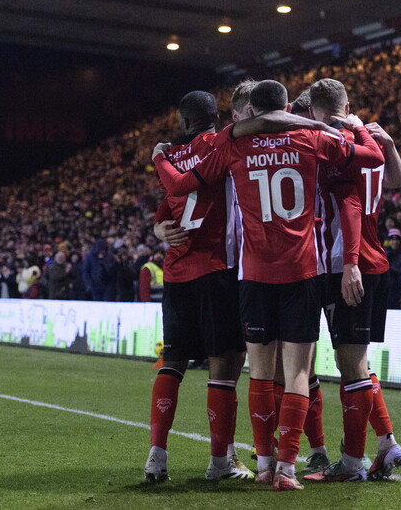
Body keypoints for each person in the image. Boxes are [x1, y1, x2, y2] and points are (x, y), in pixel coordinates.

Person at [152, 79, 385, 491]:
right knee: (298, 373)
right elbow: (370, 157)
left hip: (252, 273)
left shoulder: (231, 144)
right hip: (302, 271)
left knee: (259, 372)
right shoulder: (311, 137)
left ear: (251, 112)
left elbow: (179, 186)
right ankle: (287, 469)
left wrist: (160, 158)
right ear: (287, 106)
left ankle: (262, 463)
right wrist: (356, 125)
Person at [144, 89, 254, 483]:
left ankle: (156, 456)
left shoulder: (170, 157)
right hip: (216, 269)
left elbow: (165, 209)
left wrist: (158, 228)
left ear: (183, 122)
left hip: (176, 274)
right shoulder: (223, 143)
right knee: (225, 363)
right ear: (216, 117)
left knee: (172, 362)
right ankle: (220, 460)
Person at [304, 78, 401, 482]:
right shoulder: (371, 137)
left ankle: (350, 463)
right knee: (357, 363)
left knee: (351, 367)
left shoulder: (335, 146)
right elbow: (393, 181)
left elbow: (347, 201)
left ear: (316, 110)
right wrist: (391, 146)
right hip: (374, 259)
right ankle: (386, 443)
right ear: (347, 104)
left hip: (348, 263)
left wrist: (348, 263)